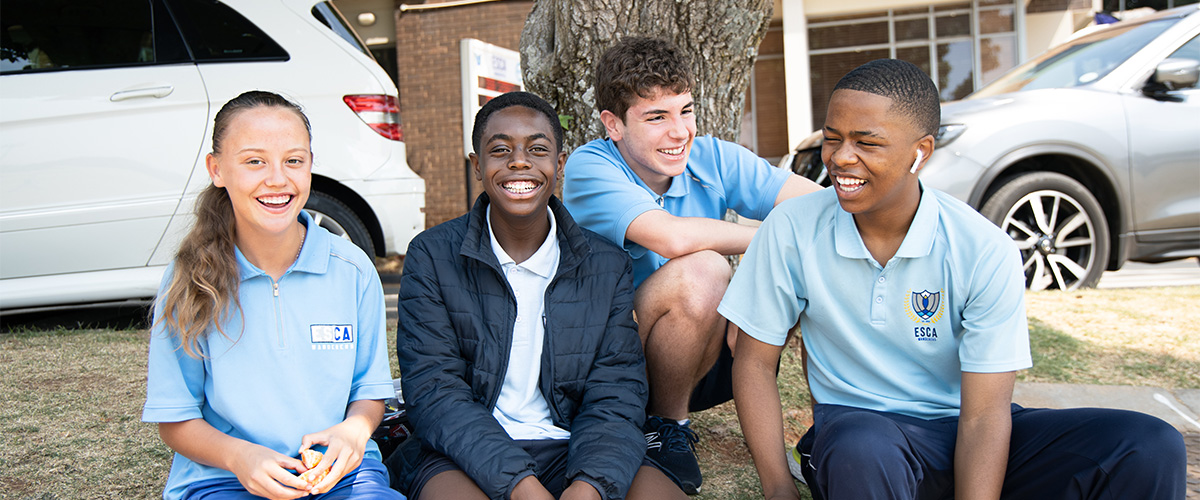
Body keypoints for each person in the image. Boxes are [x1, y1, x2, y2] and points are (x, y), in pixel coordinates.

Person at [719, 59, 1187, 500]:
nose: (841, 158)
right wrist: (779, 489)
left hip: (965, 434)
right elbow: (754, 362)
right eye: (832, 138)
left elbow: (985, 415)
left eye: (867, 142)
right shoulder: (793, 228)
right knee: (862, 448)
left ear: (920, 152)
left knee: (1148, 444)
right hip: (862, 442)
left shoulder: (981, 248)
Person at [390, 91, 686, 500]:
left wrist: (588, 488)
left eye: (538, 149)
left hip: (571, 448)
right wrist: (523, 489)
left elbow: (616, 395)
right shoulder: (432, 255)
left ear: (559, 165)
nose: (518, 162)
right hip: (461, 453)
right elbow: (435, 392)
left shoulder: (605, 264)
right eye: (499, 150)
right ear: (477, 166)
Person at [562, 36, 822, 494]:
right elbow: (672, 237)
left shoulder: (712, 157)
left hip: (699, 355)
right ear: (614, 124)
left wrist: (763, 290)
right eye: (656, 117)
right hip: (607, 368)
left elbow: (821, 208)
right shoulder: (590, 166)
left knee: (820, 263)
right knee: (704, 269)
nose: (679, 131)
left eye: (685, 110)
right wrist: (770, 243)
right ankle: (666, 427)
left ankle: (830, 432)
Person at [142, 90, 403, 500]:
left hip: (342, 477)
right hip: (222, 479)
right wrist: (239, 458)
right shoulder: (189, 278)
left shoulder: (351, 269)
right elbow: (175, 418)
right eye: (254, 161)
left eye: (294, 161)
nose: (278, 179)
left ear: (311, 167)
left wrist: (353, 432)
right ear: (217, 169)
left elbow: (368, 391)